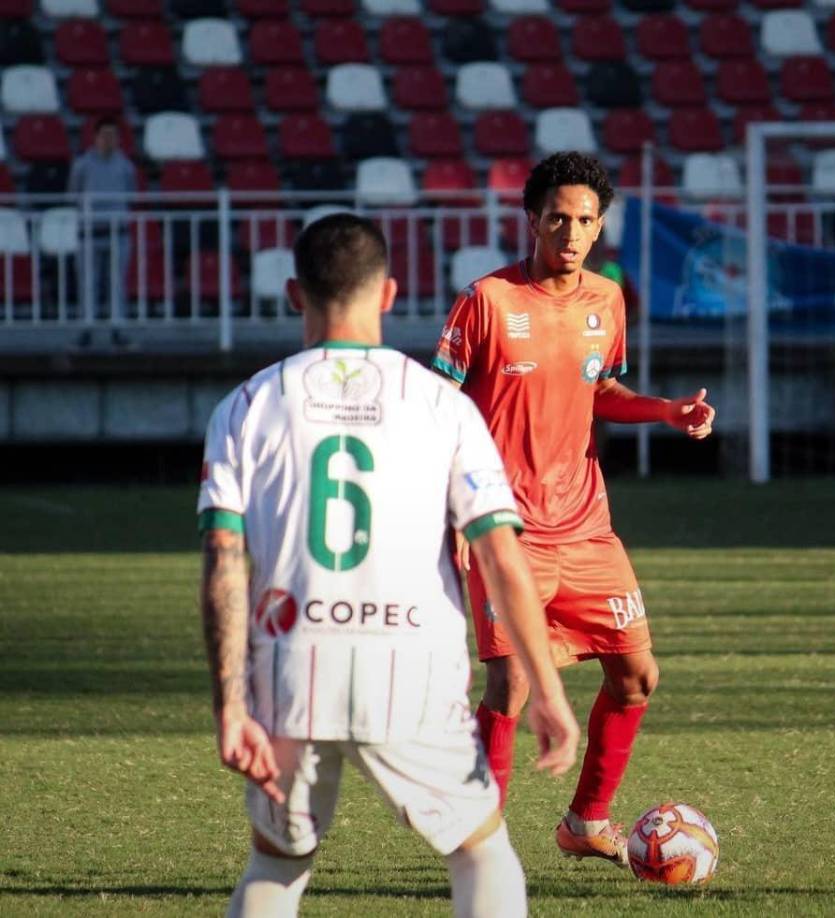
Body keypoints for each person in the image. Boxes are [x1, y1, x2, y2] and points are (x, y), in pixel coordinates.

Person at [198, 213, 580, 918]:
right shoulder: (442, 406)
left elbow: (224, 561)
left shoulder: (245, 406)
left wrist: (229, 707)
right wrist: (549, 692)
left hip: (290, 668)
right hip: (412, 666)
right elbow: (499, 553)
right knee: (479, 850)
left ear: (293, 294)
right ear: (389, 294)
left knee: (277, 860)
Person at [432, 152, 715, 867]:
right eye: (557, 216)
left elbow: (603, 390)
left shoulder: (606, 301)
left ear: (598, 228)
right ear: (531, 219)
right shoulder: (486, 302)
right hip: (506, 529)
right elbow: (434, 410)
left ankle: (586, 822)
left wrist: (665, 411)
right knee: (512, 682)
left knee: (637, 676)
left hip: (587, 527)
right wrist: (451, 511)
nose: (571, 231)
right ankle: (480, 848)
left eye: (585, 220)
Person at [67, 115, 136, 322]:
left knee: (117, 284)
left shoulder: (125, 166)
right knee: (88, 284)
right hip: (90, 233)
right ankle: (86, 329)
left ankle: (118, 329)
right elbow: (73, 194)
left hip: (118, 233)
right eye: (104, 135)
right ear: (95, 138)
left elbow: (131, 194)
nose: (109, 140)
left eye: (113, 136)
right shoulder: (82, 165)